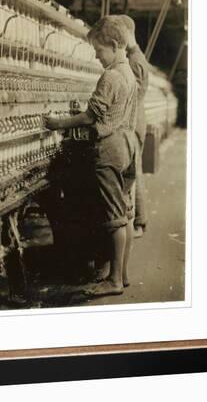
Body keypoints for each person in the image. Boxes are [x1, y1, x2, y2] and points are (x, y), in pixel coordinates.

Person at [44, 15, 137, 295]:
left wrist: (58, 123)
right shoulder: (128, 72)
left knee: (113, 218)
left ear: (113, 44)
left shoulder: (110, 76)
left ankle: (114, 282)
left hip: (108, 149)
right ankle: (122, 273)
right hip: (126, 144)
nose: (97, 57)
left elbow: (89, 117)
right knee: (125, 212)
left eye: (99, 51)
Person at [121, 15, 150, 238]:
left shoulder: (135, 59)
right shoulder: (134, 56)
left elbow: (134, 93)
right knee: (134, 171)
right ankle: (138, 221)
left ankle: (139, 222)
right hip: (135, 120)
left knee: (135, 173)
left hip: (134, 122)